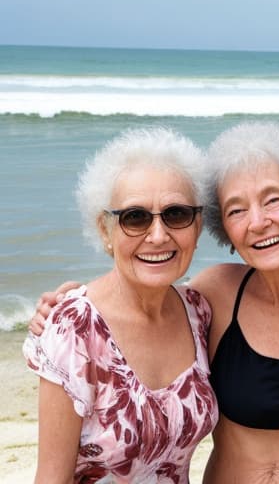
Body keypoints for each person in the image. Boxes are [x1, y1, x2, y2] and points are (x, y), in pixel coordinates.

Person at [31, 121, 279, 483]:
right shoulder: (216, 292)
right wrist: (70, 305)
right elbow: (140, 291)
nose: (258, 222)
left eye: (274, 199)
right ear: (222, 227)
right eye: (236, 210)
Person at [23, 127, 218, 483]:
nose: (158, 235)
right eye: (135, 217)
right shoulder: (74, 329)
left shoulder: (199, 313)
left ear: (199, 224)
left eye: (176, 214)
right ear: (104, 229)